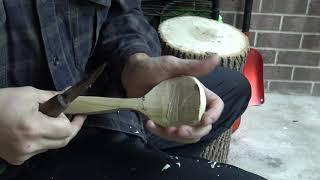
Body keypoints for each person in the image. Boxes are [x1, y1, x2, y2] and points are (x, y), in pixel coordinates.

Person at [0, 0, 266, 179]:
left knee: (234, 89)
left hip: (90, 101)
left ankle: (140, 156)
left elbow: (122, 13)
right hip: (13, 156)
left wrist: (135, 62)